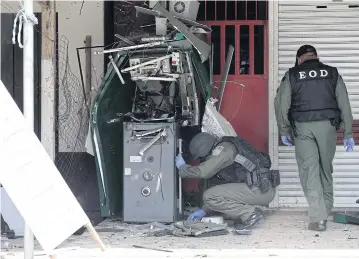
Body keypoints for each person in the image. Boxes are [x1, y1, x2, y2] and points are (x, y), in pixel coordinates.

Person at [274, 45, 355, 232]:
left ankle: (318, 218)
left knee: (309, 170)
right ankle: (324, 211)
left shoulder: (292, 75)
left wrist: (284, 131)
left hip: (303, 129)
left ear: (299, 59)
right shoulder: (332, 73)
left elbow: (281, 105)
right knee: (325, 170)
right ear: (316, 57)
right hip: (328, 128)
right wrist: (348, 132)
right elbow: (344, 103)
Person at [175, 132, 278, 230]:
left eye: (201, 157)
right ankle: (247, 215)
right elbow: (223, 190)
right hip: (260, 188)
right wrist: (203, 210)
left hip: (259, 190)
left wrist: (183, 167)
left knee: (209, 195)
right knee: (213, 192)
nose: (203, 160)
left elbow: (204, 171)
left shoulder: (223, 150)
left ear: (205, 150)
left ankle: (251, 214)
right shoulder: (226, 148)